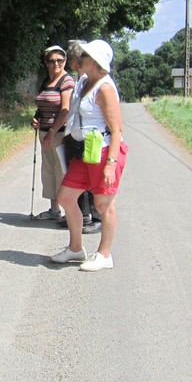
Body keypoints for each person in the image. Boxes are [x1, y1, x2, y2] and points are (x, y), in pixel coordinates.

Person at [49, 39, 127, 271]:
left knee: (104, 204)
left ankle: (104, 254)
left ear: (94, 61)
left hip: (103, 151)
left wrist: (111, 164)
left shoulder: (104, 87)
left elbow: (116, 129)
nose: (79, 59)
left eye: (84, 56)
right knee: (66, 197)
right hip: (85, 152)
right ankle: (75, 248)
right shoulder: (85, 80)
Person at [59, 41, 101, 233]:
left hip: (90, 138)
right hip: (75, 136)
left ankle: (97, 217)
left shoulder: (96, 81)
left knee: (93, 180)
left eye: (74, 59)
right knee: (79, 181)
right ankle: (82, 215)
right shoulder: (80, 79)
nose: (72, 63)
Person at [32, 45, 75, 220]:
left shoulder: (66, 81)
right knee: (48, 170)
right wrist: (36, 119)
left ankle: (69, 212)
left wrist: (51, 132)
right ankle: (54, 209)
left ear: (65, 61)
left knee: (62, 171)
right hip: (45, 133)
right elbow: (42, 106)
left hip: (60, 134)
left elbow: (65, 110)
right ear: (46, 63)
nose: (56, 63)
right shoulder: (46, 81)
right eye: (51, 60)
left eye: (60, 60)